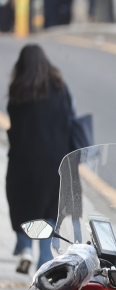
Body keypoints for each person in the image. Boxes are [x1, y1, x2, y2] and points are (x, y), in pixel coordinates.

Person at [6, 44, 75, 273]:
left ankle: (25, 248)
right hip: (55, 160)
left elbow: (14, 128)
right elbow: (70, 119)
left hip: (23, 161)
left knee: (23, 207)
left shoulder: (18, 91)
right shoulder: (59, 88)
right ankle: (45, 260)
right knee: (49, 210)